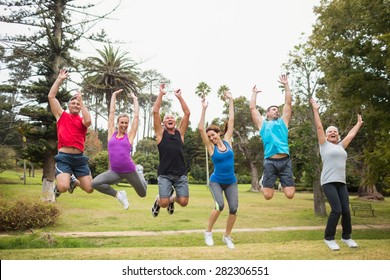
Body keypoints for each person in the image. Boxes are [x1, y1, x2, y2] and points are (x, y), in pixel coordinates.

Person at [310, 98, 363, 251]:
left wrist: (358, 124)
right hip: (328, 182)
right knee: (337, 210)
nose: (332, 132)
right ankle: (329, 238)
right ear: (326, 136)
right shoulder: (324, 145)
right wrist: (315, 110)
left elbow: (351, 135)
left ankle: (347, 237)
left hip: (341, 182)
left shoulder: (341, 146)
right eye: (330, 131)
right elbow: (319, 127)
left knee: (346, 211)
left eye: (335, 131)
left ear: (338, 136)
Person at [91, 89, 147, 209]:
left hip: (130, 171)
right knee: (95, 183)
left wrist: (135, 100)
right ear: (117, 123)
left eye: (126, 123)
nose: (124, 125)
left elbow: (136, 117)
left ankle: (140, 172)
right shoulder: (111, 133)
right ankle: (119, 195)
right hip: (115, 172)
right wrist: (113, 96)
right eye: (122, 122)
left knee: (143, 193)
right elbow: (112, 112)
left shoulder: (130, 136)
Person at [198, 91, 238, 250]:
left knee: (234, 208)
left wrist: (231, 100)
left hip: (231, 182)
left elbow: (232, 119)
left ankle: (227, 236)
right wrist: (203, 109)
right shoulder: (210, 147)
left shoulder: (228, 141)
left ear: (219, 133)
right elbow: (201, 129)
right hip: (216, 181)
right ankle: (208, 232)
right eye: (210, 137)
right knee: (220, 205)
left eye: (213, 135)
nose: (212, 138)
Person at [48, 69, 93, 198]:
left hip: (79, 159)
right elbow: (51, 97)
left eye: (78, 104)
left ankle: (74, 181)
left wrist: (82, 101)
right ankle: (63, 184)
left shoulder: (82, 120)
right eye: (73, 103)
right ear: (68, 105)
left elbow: (88, 121)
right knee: (63, 187)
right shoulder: (61, 115)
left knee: (90, 189)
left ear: (80, 107)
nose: (75, 105)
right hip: (64, 157)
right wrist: (59, 79)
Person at [249, 74, 295, 200]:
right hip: (270, 161)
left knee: (290, 195)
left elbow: (288, 103)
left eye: (277, 109)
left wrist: (286, 85)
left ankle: (280, 180)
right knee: (268, 196)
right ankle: (265, 178)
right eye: (274, 109)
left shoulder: (283, 122)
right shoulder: (263, 125)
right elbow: (252, 108)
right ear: (267, 113)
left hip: (285, 161)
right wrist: (254, 93)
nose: (277, 111)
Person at [151, 84, 190, 217]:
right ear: (163, 123)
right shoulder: (160, 134)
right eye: (167, 118)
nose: (169, 119)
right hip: (165, 174)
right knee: (163, 203)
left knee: (184, 202)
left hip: (180, 173)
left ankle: (172, 200)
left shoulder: (181, 134)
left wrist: (179, 97)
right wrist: (161, 94)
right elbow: (155, 112)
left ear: (175, 122)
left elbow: (187, 113)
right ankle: (158, 201)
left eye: (172, 117)